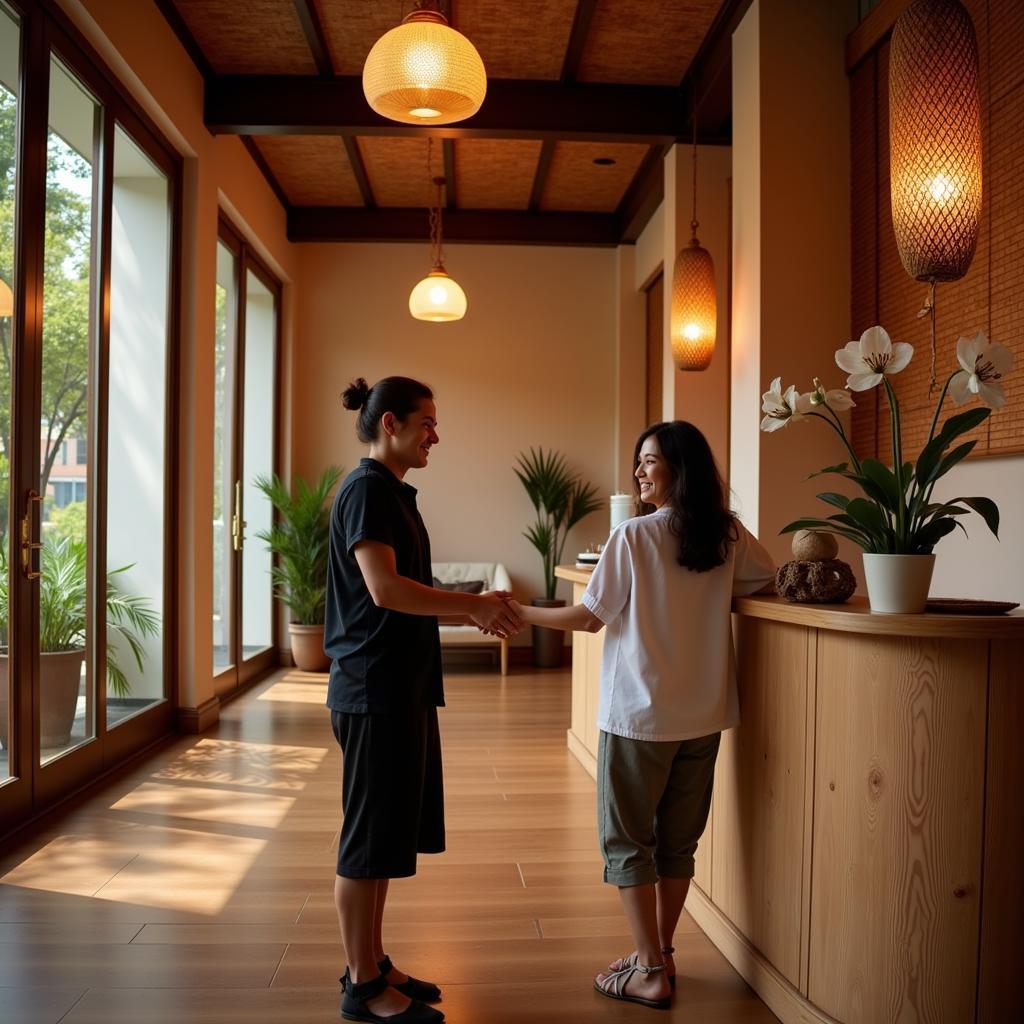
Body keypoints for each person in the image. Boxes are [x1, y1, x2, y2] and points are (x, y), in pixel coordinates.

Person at [509, 420, 775, 1010]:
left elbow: (589, 617)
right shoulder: (729, 535)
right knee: (678, 844)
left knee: (629, 842)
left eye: (649, 461)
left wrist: (520, 611)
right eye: (639, 462)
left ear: (680, 468)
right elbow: (770, 580)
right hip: (703, 716)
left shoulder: (633, 537)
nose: (638, 472)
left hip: (638, 718)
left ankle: (650, 968)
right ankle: (660, 952)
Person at [326, 376, 523, 1024]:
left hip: (396, 685)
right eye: (427, 422)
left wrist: (473, 608)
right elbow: (385, 590)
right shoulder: (365, 492)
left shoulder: (391, 494)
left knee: (383, 838)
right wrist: (473, 608)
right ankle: (361, 987)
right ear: (390, 424)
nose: (435, 434)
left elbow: (408, 583)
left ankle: (375, 961)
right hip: (372, 688)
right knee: (365, 841)